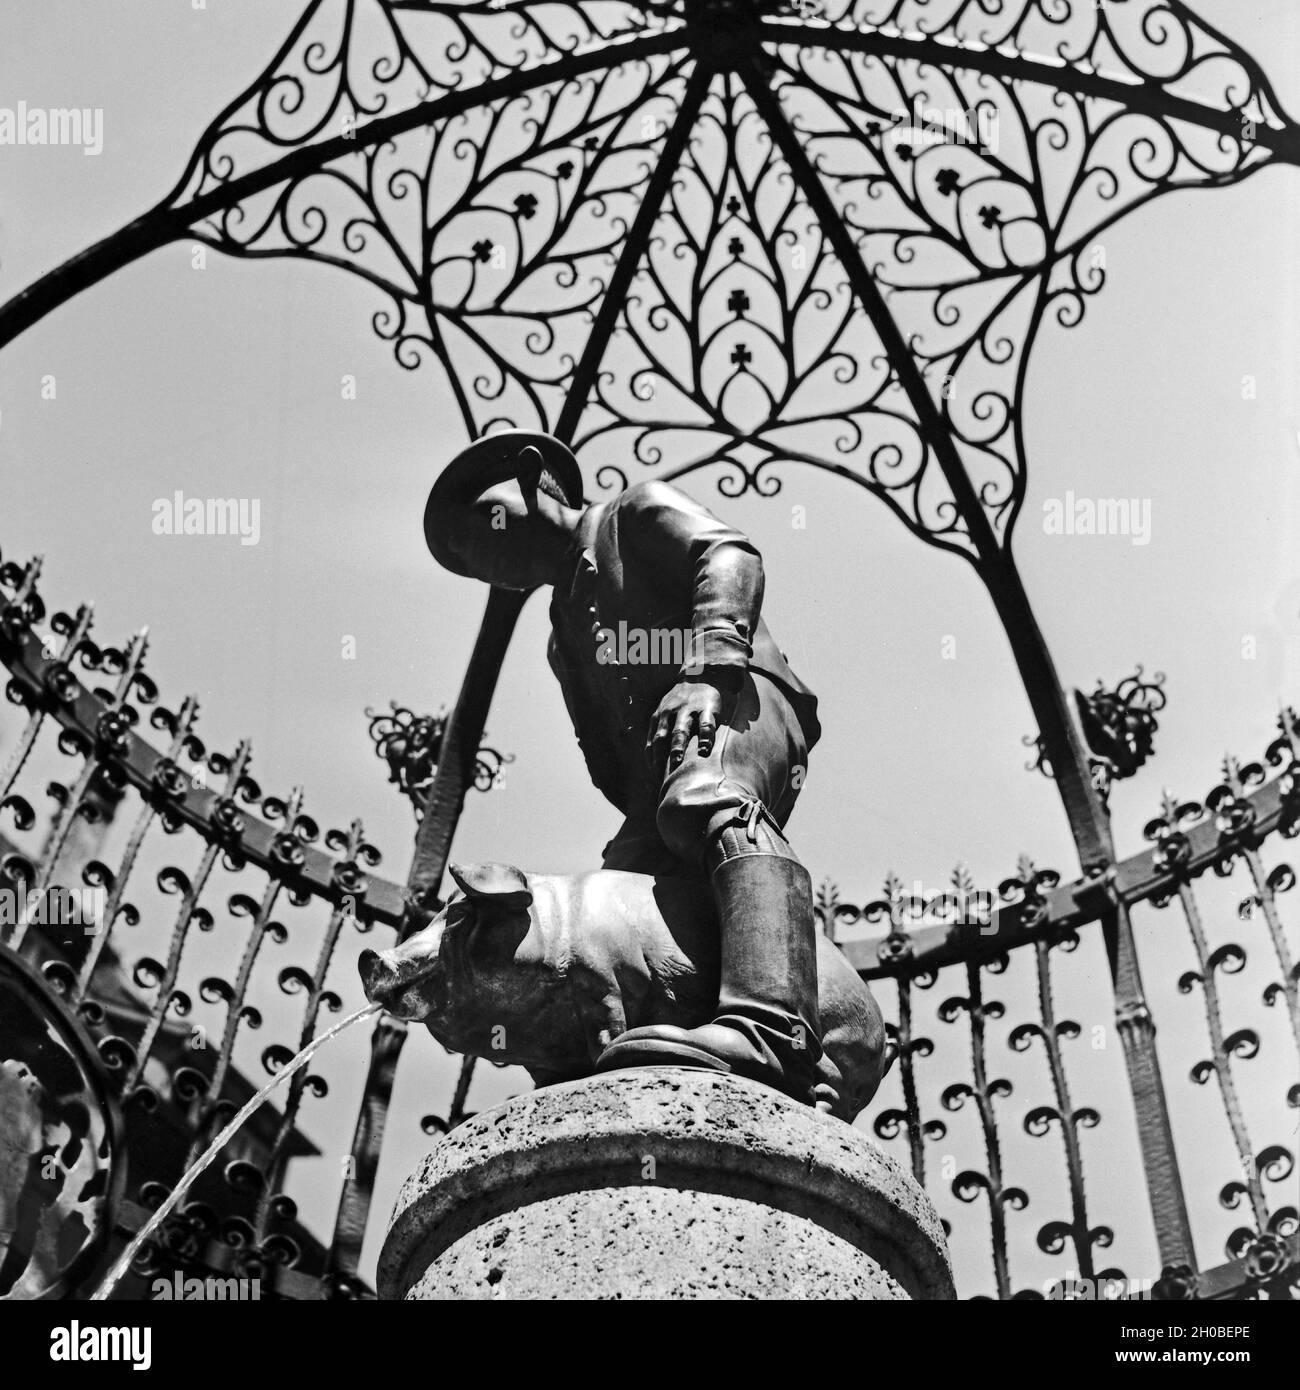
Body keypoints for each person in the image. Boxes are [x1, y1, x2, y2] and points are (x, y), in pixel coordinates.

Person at [424, 431, 825, 1104]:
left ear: (532, 482)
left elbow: (728, 555)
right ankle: (648, 1040)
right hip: (658, 775)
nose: (488, 562)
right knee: (619, 898)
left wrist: (706, 670)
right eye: (474, 561)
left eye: (483, 533)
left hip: (735, 701)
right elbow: (602, 751)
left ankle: (771, 1027)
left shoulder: (632, 515)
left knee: (705, 796)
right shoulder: (561, 635)